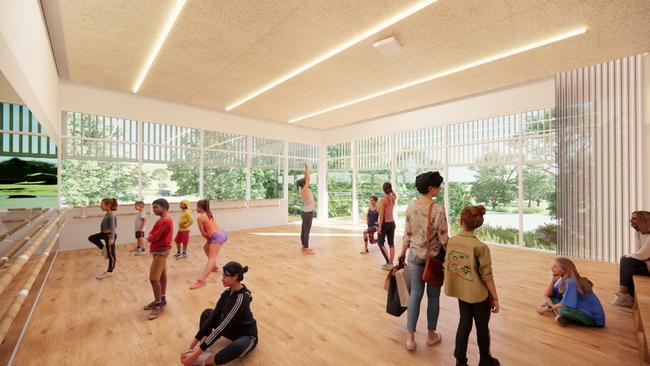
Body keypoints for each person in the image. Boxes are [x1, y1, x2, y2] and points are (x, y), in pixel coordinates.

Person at [397, 171, 448, 351]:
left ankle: (410, 338)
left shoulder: (411, 207)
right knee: (433, 297)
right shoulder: (438, 209)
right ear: (430, 188)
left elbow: (407, 234)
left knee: (415, 296)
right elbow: (443, 238)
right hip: (433, 259)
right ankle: (431, 335)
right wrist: (450, 258)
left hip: (414, 257)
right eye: (437, 186)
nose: (439, 189)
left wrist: (402, 252)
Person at [445, 205, 500, 366]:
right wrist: (495, 298)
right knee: (482, 327)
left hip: (462, 292)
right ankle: (485, 360)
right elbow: (487, 276)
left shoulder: (452, 241)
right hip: (479, 295)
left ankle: (460, 361)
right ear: (478, 224)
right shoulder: (481, 247)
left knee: (464, 323)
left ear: (461, 221)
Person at [180, 262, 258, 366]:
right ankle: (204, 350)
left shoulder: (241, 299)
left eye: (225, 276)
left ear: (235, 277)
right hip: (231, 329)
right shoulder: (226, 293)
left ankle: (205, 361)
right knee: (207, 313)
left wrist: (194, 357)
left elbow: (221, 329)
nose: (222, 278)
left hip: (246, 335)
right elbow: (212, 319)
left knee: (237, 346)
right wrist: (191, 348)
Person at [536, 257, 606, 327]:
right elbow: (547, 294)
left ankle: (560, 315)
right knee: (552, 298)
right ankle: (561, 316)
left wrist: (545, 308)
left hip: (593, 319)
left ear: (565, 270)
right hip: (581, 311)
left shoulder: (571, 282)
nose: (552, 268)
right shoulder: (564, 280)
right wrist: (553, 281)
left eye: (555, 267)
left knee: (562, 308)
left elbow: (565, 304)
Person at [612, 211, 650, 308]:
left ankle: (623, 296)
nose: (630, 220)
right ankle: (628, 297)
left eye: (634, 218)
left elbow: (642, 254)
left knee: (625, 261)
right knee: (629, 268)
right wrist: (647, 261)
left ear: (643, 220)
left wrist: (628, 256)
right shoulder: (638, 233)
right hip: (647, 264)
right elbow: (640, 252)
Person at [144, 198, 173, 320]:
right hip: (160, 250)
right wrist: (151, 236)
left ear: (164, 207)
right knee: (161, 276)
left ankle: (158, 304)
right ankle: (162, 299)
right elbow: (153, 233)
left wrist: (149, 237)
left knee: (153, 279)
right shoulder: (162, 220)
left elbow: (154, 236)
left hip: (160, 252)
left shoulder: (165, 221)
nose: (154, 210)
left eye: (156, 207)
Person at [191, 200, 227, 290]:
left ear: (200, 207)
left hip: (217, 236)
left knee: (211, 258)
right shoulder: (208, 213)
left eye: (197, 206)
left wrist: (209, 239)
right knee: (205, 247)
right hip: (221, 232)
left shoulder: (200, 218)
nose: (196, 208)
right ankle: (214, 267)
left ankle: (201, 281)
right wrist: (209, 240)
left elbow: (203, 233)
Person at [88, 198, 118, 280]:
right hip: (104, 234)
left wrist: (111, 238)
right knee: (91, 238)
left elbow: (113, 227)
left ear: (108, 205)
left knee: (111, 254)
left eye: (102, 204)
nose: (100, 206)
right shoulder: (107, 213)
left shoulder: (111, 214)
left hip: (109, 235)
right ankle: (103, 248)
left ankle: (110, 271)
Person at [378, 182, 398, 270]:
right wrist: (391, 190)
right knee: (391, 244)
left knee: (380, 242)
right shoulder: (393, 198)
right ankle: (391, 263)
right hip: (392, 223)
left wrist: (379, 226)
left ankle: (388, 264)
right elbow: (395, 195)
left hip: (385, 224)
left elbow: (381, 214)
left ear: (383, 189)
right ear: (390, 188)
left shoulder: (383, 199)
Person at [297, 163, 315, 255]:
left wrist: (305, 171)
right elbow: (308, 179)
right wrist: (307, 168)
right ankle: (306, 249)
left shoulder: (303, 190)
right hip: (308, 213)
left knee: (303, 230)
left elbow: (306, 178)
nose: (307, 182)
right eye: (306, 182)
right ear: (304, 184)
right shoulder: (305, 190)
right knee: (306, 231)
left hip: (305, 213)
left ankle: (304, 246)